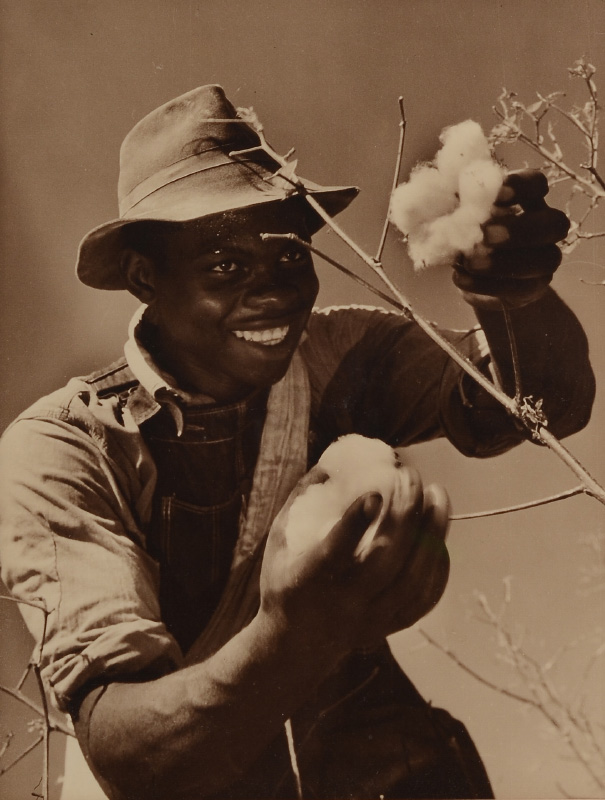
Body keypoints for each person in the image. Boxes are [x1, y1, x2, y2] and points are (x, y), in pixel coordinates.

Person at [0, 85, 595, 800]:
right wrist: (296, 635)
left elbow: (538, 407)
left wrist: (514, 298)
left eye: (289, 258)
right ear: (143, 277)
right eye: (224, 266)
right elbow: (131, 757)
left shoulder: (336, 353)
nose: (273, 291)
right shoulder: (65, 450)